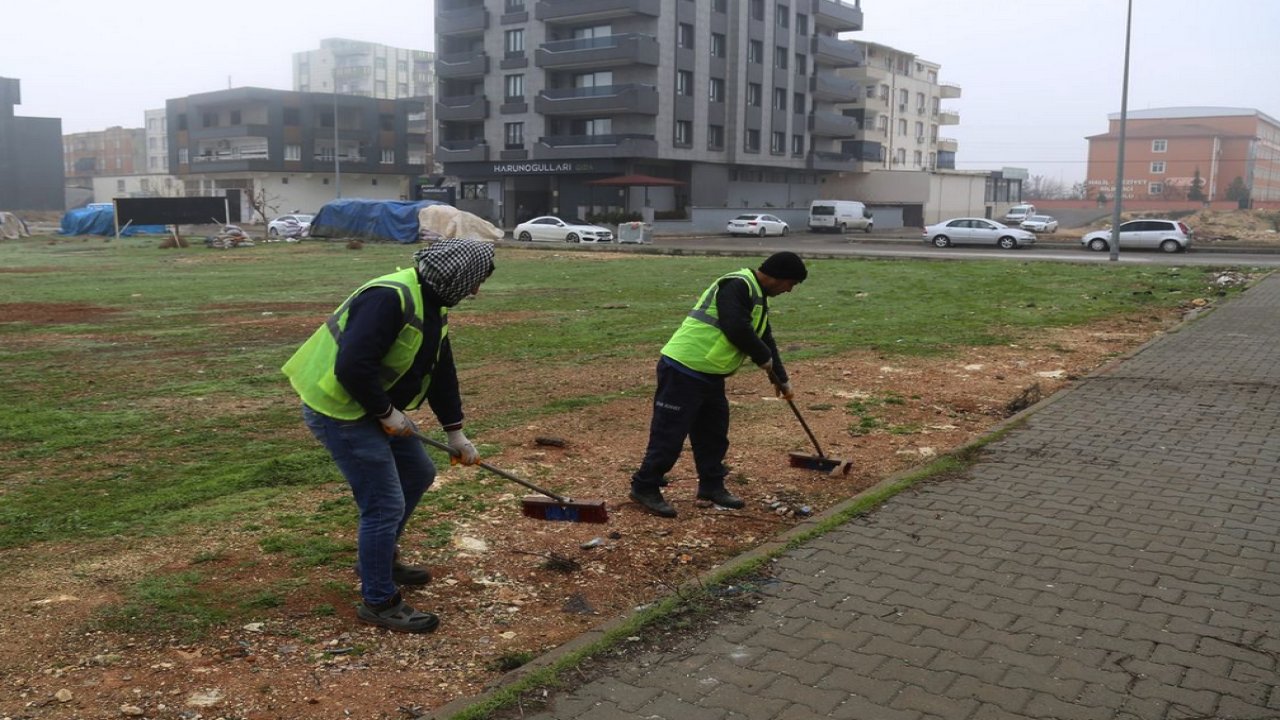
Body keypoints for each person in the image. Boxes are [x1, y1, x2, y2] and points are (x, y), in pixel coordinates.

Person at [281, 238, 496, 633]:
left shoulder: (434, 303)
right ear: (455, 275)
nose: (475, 291)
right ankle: (379, 600)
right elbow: (352, 366)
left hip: (371, 406)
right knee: (383, 504)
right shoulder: (388, 298)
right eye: (474, 282)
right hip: (340, 409)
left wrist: (456, 433)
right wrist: (386, 413)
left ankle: (378, 560)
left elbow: (441, 372)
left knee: (418, 473)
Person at [629, 251, 808, 518]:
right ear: (778, 277)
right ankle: (644, 486)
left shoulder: (758, 298)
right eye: (790, 283)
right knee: (670, 434)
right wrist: (763, 359)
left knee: (713, 434)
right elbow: (736, 328)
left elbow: (765, 339)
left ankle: (711, 486)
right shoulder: (737, 285)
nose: (789, 290)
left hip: (710, 374)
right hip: (683, 368)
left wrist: (782, 379)